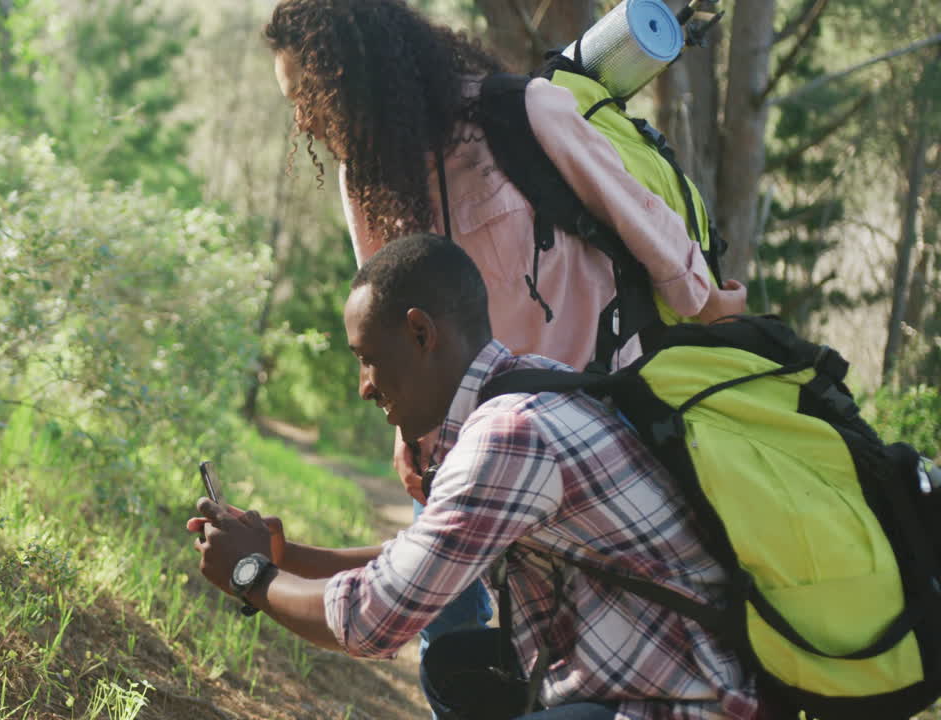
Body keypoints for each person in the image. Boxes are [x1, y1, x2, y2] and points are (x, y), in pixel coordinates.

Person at [263, 0, 747, 702]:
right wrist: (411, 436)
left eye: (307, 95)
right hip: (476, 441)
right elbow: (389, 311)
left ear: (356, 72)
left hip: (602, 415)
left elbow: (642, 222)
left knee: (600, 612)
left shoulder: (523, 115)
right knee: (454, 638)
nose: (303, 119)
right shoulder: (363, 180)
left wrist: (708, 302)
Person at [187, 233, 759, 719]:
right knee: (454, 665)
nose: (363, 385)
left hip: (679, 705)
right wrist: (280, 555)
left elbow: (372, 620)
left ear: (420, 333)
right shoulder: (530, 384)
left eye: (366, 356)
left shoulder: (509, 433)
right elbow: (422, 559)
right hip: (659, 684)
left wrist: (249, 574)